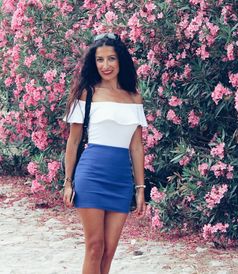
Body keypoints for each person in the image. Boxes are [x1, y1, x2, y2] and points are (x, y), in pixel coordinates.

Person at [62, 33, 148, 274]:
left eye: (111, 59)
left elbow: (137, 146)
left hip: (121, 179)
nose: (106, 66)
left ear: (121, 61)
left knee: (109, 250)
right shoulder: (87, 94)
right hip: (91, 175)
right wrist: (68, 182)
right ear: (94, 62)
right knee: (94, 247)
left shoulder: (134, 98)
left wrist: (140, 189)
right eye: (100, 60)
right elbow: (74, 139)